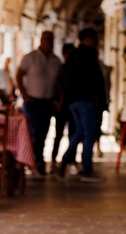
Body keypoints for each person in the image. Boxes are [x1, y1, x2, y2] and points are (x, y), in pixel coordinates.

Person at [57, 28, 107, 183]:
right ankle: (87, 168)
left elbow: (66, 78)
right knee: (90, 133)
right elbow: (96, 80)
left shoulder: (73, 56)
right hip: (86, 100)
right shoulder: (89, 56)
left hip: (73, 101)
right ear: (89, 38)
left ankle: (65, 161)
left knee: (79, 131)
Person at [16, 31, 63, 175]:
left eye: (51, 39)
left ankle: (39, 159)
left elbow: (59, 82)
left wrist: (60, 99)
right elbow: (19, 75)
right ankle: (35, 161)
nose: (49, 42)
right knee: (35, 131)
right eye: (47, 39)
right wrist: (24, 95)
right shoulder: (30, 58)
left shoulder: (56, 60)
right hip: (32, 101)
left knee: (44, 131)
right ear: (41, 40)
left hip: (48, 102)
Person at [50, 43, 76, 173]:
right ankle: (54, 159)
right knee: (58, 134)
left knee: (72, 134)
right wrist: (57, 101)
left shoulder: (76, 70)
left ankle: (70, 160)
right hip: (62, 107)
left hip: (72, 107)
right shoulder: (60, 69)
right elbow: (56, 86)